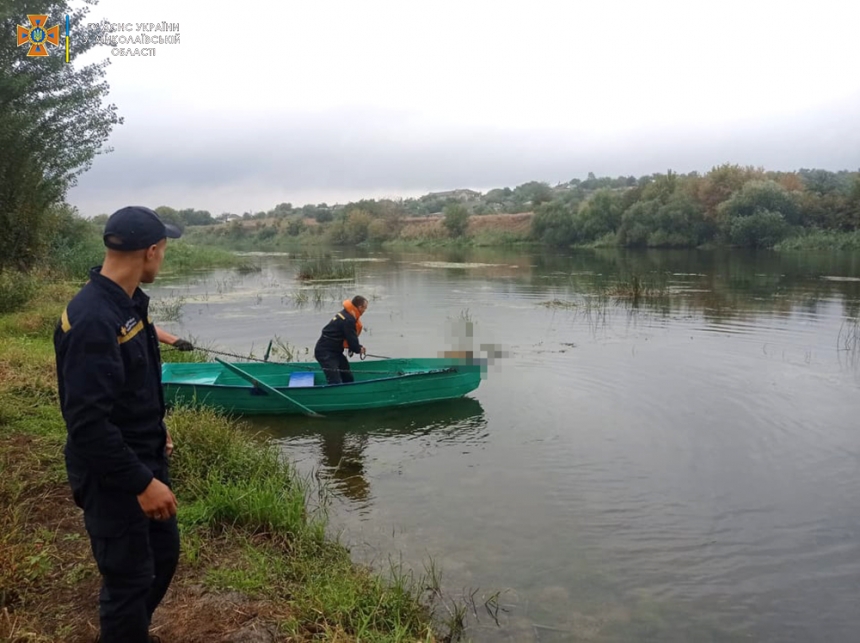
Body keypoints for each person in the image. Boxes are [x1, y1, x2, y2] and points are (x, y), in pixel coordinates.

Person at [53, 206, 182, 643]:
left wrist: (156, 425)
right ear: (149, 252)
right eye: (163, 250)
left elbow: (132, 385)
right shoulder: (93, 319)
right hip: (113, 475)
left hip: (142, 453)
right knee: (128, 580)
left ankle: (132, 633)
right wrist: (141, 483)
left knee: (162, 557)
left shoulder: (128, 304)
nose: (163, 259)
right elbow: (86, 423)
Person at [314, 295, 368, 384]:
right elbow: (351, 340)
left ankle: (349, 393)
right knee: (335, 381)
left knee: (347, 377)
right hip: (325, 353)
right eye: (364, 308)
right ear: (359, 307)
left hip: (335, 352)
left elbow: (350, 338)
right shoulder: (348, 320)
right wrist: (358, 349)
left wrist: (358, 347)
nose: (364, 311)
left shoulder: (347, 314)